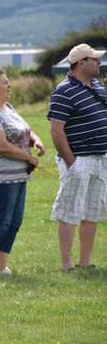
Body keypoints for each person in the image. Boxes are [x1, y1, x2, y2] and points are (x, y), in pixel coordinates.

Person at [0, 68, 45, 276]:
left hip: (19, 174)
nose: (9, 85)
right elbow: (1, 146)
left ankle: (0, 267)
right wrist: (29, 158)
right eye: (5, 82)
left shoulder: (8, 107)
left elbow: (25, 129)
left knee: (14, 221)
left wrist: (36, 141)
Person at [48, 43, 107, 272]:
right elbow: (56, 130)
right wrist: (71, 163)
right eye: (94, 59)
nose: (99, 62)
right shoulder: (63, 90)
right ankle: (66, 264)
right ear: (80, 62)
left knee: (92, 212)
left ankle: (85, 262)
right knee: (70, 212)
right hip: (79, 159)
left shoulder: (98, 86)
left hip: (101, 158)